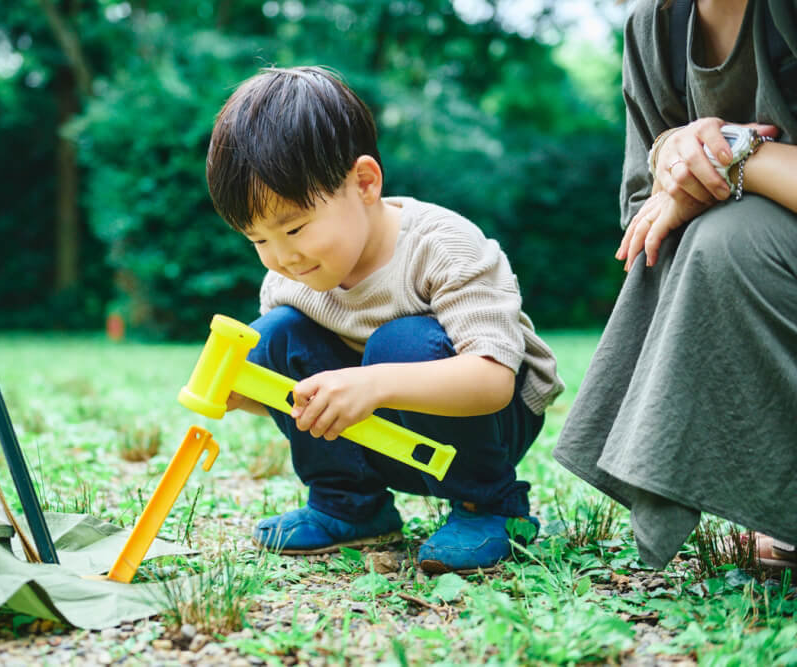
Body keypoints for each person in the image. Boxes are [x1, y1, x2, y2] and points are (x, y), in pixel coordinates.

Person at [204, 66, 565, 572]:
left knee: (402, 342)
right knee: (273, 336)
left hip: (485, 419)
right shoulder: (290, 279)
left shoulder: (441, 246)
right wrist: (252, 394)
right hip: (380, 433)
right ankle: (349, 506)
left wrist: (374, 383)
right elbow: (306, 399)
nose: (283, 256)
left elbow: (492, 380)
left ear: (365, 182)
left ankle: (491, 506)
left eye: (296, 227)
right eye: (258, 240)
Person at [553, 0, 797, 570]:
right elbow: (648, 214)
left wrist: (738, 158)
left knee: (730, 237)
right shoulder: (655, 27)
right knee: (674, 245)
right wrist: (671, 151)